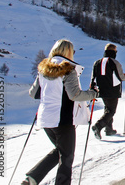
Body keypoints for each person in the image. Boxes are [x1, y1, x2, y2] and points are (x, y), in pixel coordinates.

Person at [23, 39, 98, 185]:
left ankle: (31, 179)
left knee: (61, 152)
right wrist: (93, 93)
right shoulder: (68, 69)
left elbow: (33, 93)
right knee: (67, 157)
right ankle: (35, 179)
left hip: (45, 119)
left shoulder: (44, 68)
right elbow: (75, 95)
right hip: (63, 120)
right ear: (68, 52)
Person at [90, 43, 125, 139]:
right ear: (114, 52)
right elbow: (121, 77)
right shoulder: (114, 63)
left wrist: (92, 89)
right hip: (113, 90)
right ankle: (98, 126)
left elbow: (93, 78)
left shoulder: (97, 62)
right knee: (111, 111)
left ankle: (109, 130)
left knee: (107, 109)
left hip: (101, 90)